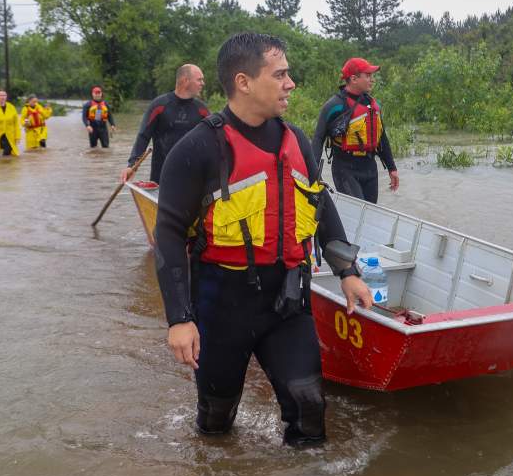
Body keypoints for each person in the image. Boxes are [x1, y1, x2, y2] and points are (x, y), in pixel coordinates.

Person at [155, 32, 371, 446]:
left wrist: (347, 270)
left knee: (310, 407)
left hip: (287, 298)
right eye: (281, 74)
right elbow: (167, 234)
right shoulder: (197, 149)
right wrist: (180, 318)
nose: (291, 83)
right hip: (221, 306)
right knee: (216, 424)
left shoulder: (296, 141)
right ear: (244, 82)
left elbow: (318, 201)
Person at [311, 57, 399, 204]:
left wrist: (392, 168)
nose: (372, 80)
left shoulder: (373, 105)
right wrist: (312, 173)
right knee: (357, 212)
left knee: (369, 215)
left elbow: (382, 138)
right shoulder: (334, 106)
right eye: (368, 76)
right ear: (353, 79)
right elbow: (318, 139)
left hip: (370, 168)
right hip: (345, 169)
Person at [120, 64, 210, 184]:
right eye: (199, 79)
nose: (203, 83)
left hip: (192, 177)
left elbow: (214, 139)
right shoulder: (159, 105)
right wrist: (132, 166)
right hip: (161, 177)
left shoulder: (202, 109)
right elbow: (143, 136)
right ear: (185, 80)